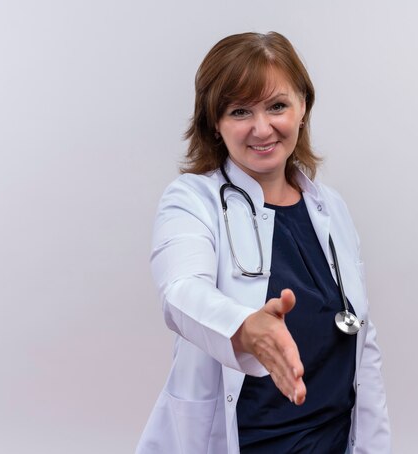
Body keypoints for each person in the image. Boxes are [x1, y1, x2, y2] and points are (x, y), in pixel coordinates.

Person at [137, 31, 390, 454]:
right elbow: (181, 292)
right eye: (239, 111)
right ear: (214, 124)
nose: (262, 128)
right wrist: (244, 328)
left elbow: (365, 343)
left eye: (277, 106)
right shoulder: (191, 200)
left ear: (303, 108)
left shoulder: (331, 209)